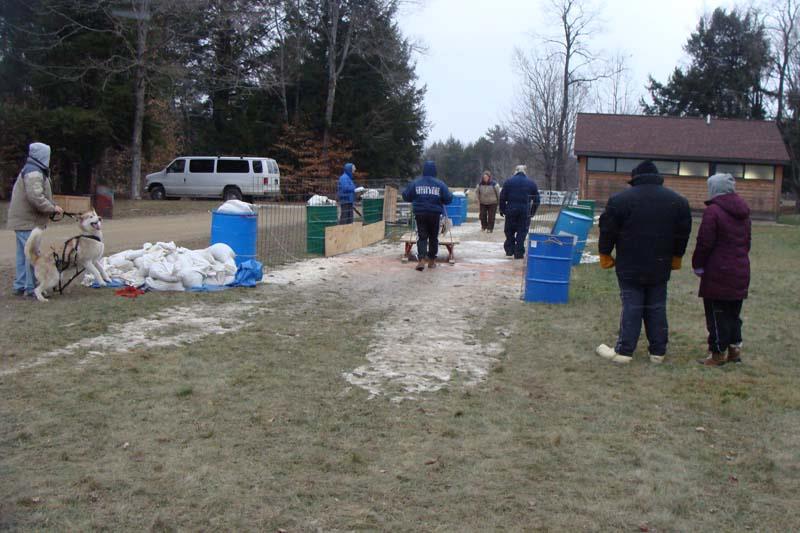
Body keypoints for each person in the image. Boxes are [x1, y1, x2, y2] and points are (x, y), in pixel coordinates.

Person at [596, 160, 692, 364]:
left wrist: (605, 253)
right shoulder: (678, 201)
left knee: (631, 305)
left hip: (629, 264)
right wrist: (677, 256)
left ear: (635, 179)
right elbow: (682, 232)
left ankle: (624, 351)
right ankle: (658, 352)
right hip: (661, 263)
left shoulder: (619, 200)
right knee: (657, 306)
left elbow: (608, 230)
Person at [692, 173, 751, 367]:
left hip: (717, 271)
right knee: (733, 313)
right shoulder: (744, 212)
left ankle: (717, 353)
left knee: (716, 314)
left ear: (714, 189)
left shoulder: (713, 211)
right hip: (740, 268)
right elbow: (746, 242)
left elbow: (704, 242)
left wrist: (698, 264)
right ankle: (734, 349)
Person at [7, 142, 63, 297]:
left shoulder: (33, 169)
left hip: (24, 220)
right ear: (43, 155)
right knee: (32, 254)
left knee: (23, 255)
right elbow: (35, 197)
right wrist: (52, 208)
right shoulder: (34, 172)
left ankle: (21, 284)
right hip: (27, 221)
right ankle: (30, 287)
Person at [402, 161, 453, 271]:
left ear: (424, 170)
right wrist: (442, 199)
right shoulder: (440, 184)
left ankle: (421, 260)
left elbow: (406, 196)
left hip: (420, 213)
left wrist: (414, 198)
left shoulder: (416, 183)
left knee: (422, 236)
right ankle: (432, 261)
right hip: (434, 214)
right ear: (435, 170)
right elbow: (448, 199)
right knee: (433, 237)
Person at [498, 165, 539, 259]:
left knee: (509, 230)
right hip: (524, 210)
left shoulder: (508, 182)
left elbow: (502, 197)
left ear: (515, 171)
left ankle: (509, 249)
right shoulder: (531, 183)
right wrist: (532, 212)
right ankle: (519, 252)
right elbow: (537, 200)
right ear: (525, 172)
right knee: (522, 231)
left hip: (511, 209)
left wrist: (502, 209)